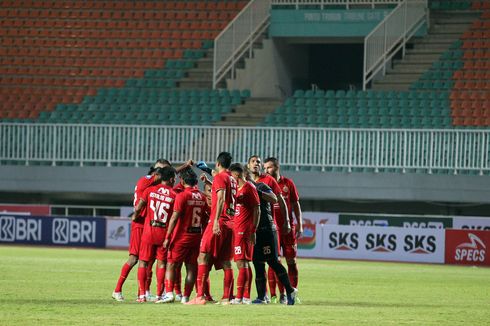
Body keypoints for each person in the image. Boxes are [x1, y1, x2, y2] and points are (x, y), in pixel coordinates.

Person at [112, 159, 193, 302]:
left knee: (147, 261)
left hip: (148, 224)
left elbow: (169, 175)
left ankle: (144, 293)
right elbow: (169, 175)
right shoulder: (147, 181)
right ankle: (120, 290)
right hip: (141, 225)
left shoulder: (152, 188)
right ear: (157, 172)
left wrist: (185, 167)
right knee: (136, 259)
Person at [187, 152, 237, 305]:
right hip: (230, 223)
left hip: (219, 221)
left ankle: (200, 296)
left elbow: (221, 198)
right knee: (226, 262)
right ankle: (226, 298)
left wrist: (215, 221)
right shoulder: (232, 179)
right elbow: (220, 188)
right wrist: (207, 177)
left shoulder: (221, 177)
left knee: (202, 257)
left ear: (218, 163)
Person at [244, 167, 298, 305]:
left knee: (273, 261)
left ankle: (290, 290)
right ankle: (262, 296)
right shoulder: (242, 191)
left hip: (267, 230)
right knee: (257, 263)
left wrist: (256, 190)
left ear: (248, 177)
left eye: (241, 178)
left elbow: (274, 199)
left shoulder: (261, 186)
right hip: (254, 231)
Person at [160, 169, 208, 304]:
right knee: (191, 268)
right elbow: (205, 219)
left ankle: (169, 293)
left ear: (182, 181)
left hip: (182, 237)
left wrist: (168, 237)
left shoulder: (181, 196)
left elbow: (174, 217)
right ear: (196, 182)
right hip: (196, 237)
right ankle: (186, 297)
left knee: (171, 264)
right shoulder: (203, 197)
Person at [133, 166, 177, 303]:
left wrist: (135, 216)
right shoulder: (174, 195)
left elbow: (138, 207)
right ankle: (159, 295)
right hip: (163, 233)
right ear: (170, 179)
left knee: (143, 262)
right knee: (162, 264)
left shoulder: (149, 190)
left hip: (148, 232)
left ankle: (141, 295)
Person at [264, 157, 303, 297]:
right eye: (265, 168)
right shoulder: (264, 183)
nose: (266, 170)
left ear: (277, 167)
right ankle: (276, 295)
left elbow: (296, 204)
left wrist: (300, 224)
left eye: (269, 167)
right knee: (273, 261)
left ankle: (293, 293)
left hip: (288, 228)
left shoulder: (288, 183)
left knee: (291, 261)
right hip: (272, 229)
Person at [229, 163, 260, 305]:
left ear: (236, 174)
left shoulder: (249, 187)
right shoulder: (237, 189)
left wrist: (253, 230)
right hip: (238, 228)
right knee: (243, 262)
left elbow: (257, 209)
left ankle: (240, 297)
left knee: (242, 262)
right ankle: (245, 296)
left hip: (244, 230)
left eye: (231, 175)